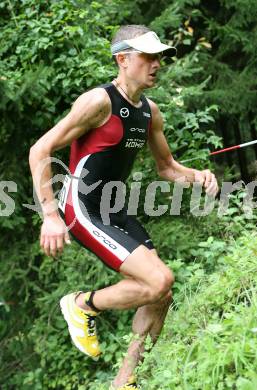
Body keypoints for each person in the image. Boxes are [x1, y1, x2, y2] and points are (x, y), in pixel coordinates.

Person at [29, 25, 218, 390]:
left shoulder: (150, 111)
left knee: (160, 293)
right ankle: (82, 303)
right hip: (81, 208)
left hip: (114, 208)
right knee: (159, 279)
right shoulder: (97, 102)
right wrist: (50, 217)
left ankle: (126, 382)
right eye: (148, 56)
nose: (157, 64)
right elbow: (40, 150)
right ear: (123, 59)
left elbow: (168, 169)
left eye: (160, 56)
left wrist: (199, 176)